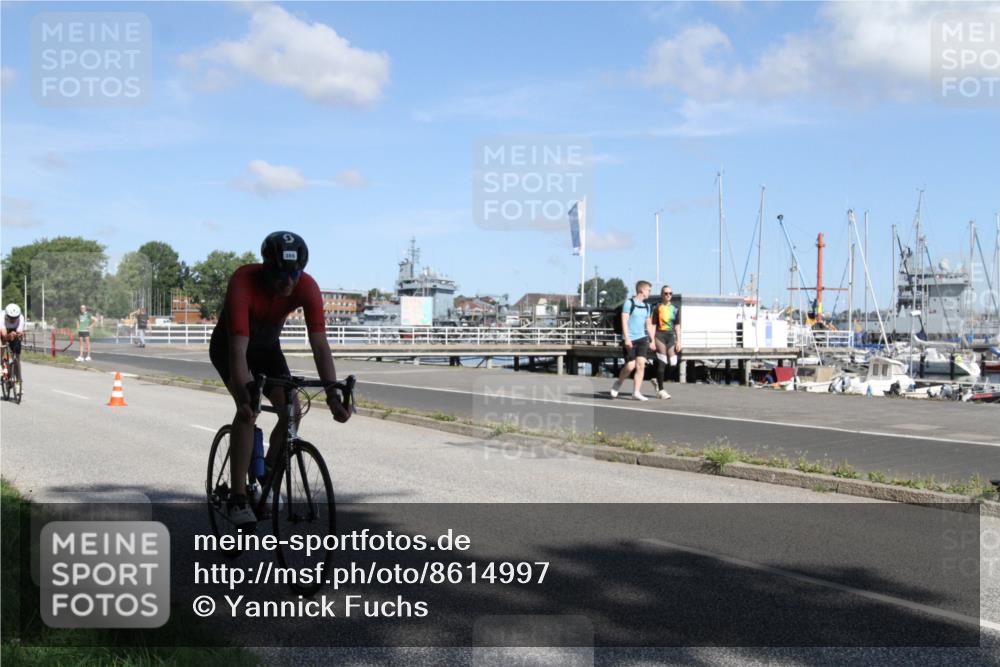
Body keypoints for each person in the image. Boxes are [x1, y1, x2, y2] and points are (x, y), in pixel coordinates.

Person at [209, 231, 351, 530]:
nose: (287, 281)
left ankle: (267, 474)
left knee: (293, 409)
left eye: (294, 273)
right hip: (232, 347)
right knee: (247, 412)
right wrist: (245, 396)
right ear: (265, 268)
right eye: (279, 274)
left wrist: (333, 396)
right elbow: (238, 352)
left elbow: (320, 345)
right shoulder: (243, 281)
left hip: (267, 348)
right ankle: (237, 497)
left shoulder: (308, 286)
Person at [611, 280, 655, 401]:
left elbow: (648, 324)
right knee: (630, 366)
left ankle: (636, 392)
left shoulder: (648, 306)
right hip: (630, 338)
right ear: (641, 290)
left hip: (642, 338)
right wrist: (627, 338)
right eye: (648, 290)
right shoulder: (628, 303)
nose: (650, 292)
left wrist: (652, 340)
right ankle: (619, 382)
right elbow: (624, 321)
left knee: (641, 365)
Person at [652, 285, 682, 400]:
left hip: (670, 336)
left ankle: (657, 380)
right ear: (661, 295)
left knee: (674, 362)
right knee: (662, 361)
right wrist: (652, 340)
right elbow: (653, 324)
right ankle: (661, 390)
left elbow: (677, 325)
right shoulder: (657, 308)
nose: (668, 295)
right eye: (666, 293)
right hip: (659, 335)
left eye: (670, 293)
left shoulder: (675, 308)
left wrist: (679, 341)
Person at [2, 303, 25, 384]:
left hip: (13, 332)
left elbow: (19, 331)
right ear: (7, 315)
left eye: (15, 318)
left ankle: (19, 381)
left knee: (17, 358)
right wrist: (9, 336)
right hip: (2, 332)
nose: (13, 320)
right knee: (1, 348)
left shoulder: (21, 318)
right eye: (11, 318)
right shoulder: (1, 317)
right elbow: (4, 336)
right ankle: (2, 369)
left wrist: (19, 335)